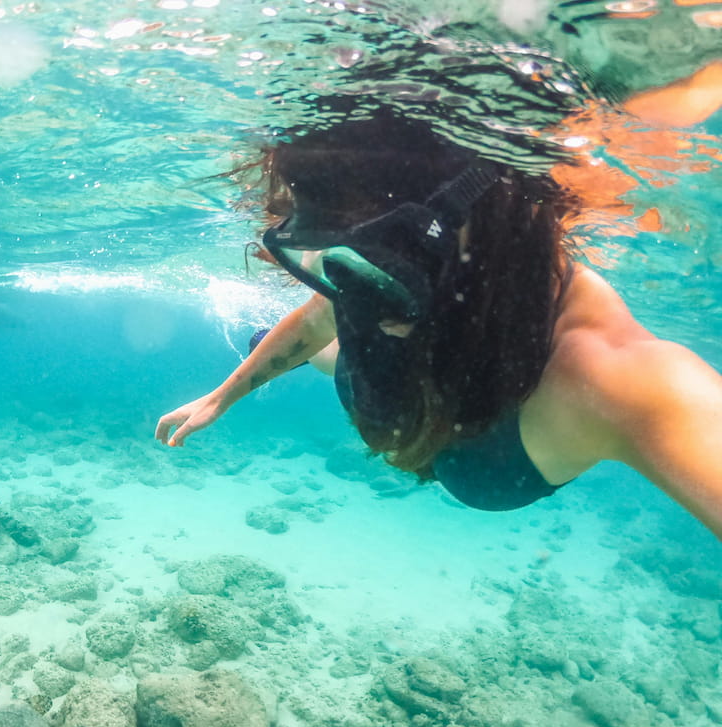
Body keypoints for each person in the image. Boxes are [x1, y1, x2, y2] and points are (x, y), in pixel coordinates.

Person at [154, 104, 722, 540]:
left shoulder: (616, 377)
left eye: (383, 261)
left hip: (492, 459)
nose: (357, 286)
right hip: (387, 385)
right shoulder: (372, 271)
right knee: (333, 348)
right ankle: (284, 350)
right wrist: (222, 396)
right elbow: (319, 313)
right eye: (334, 247)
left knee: (339, 355)